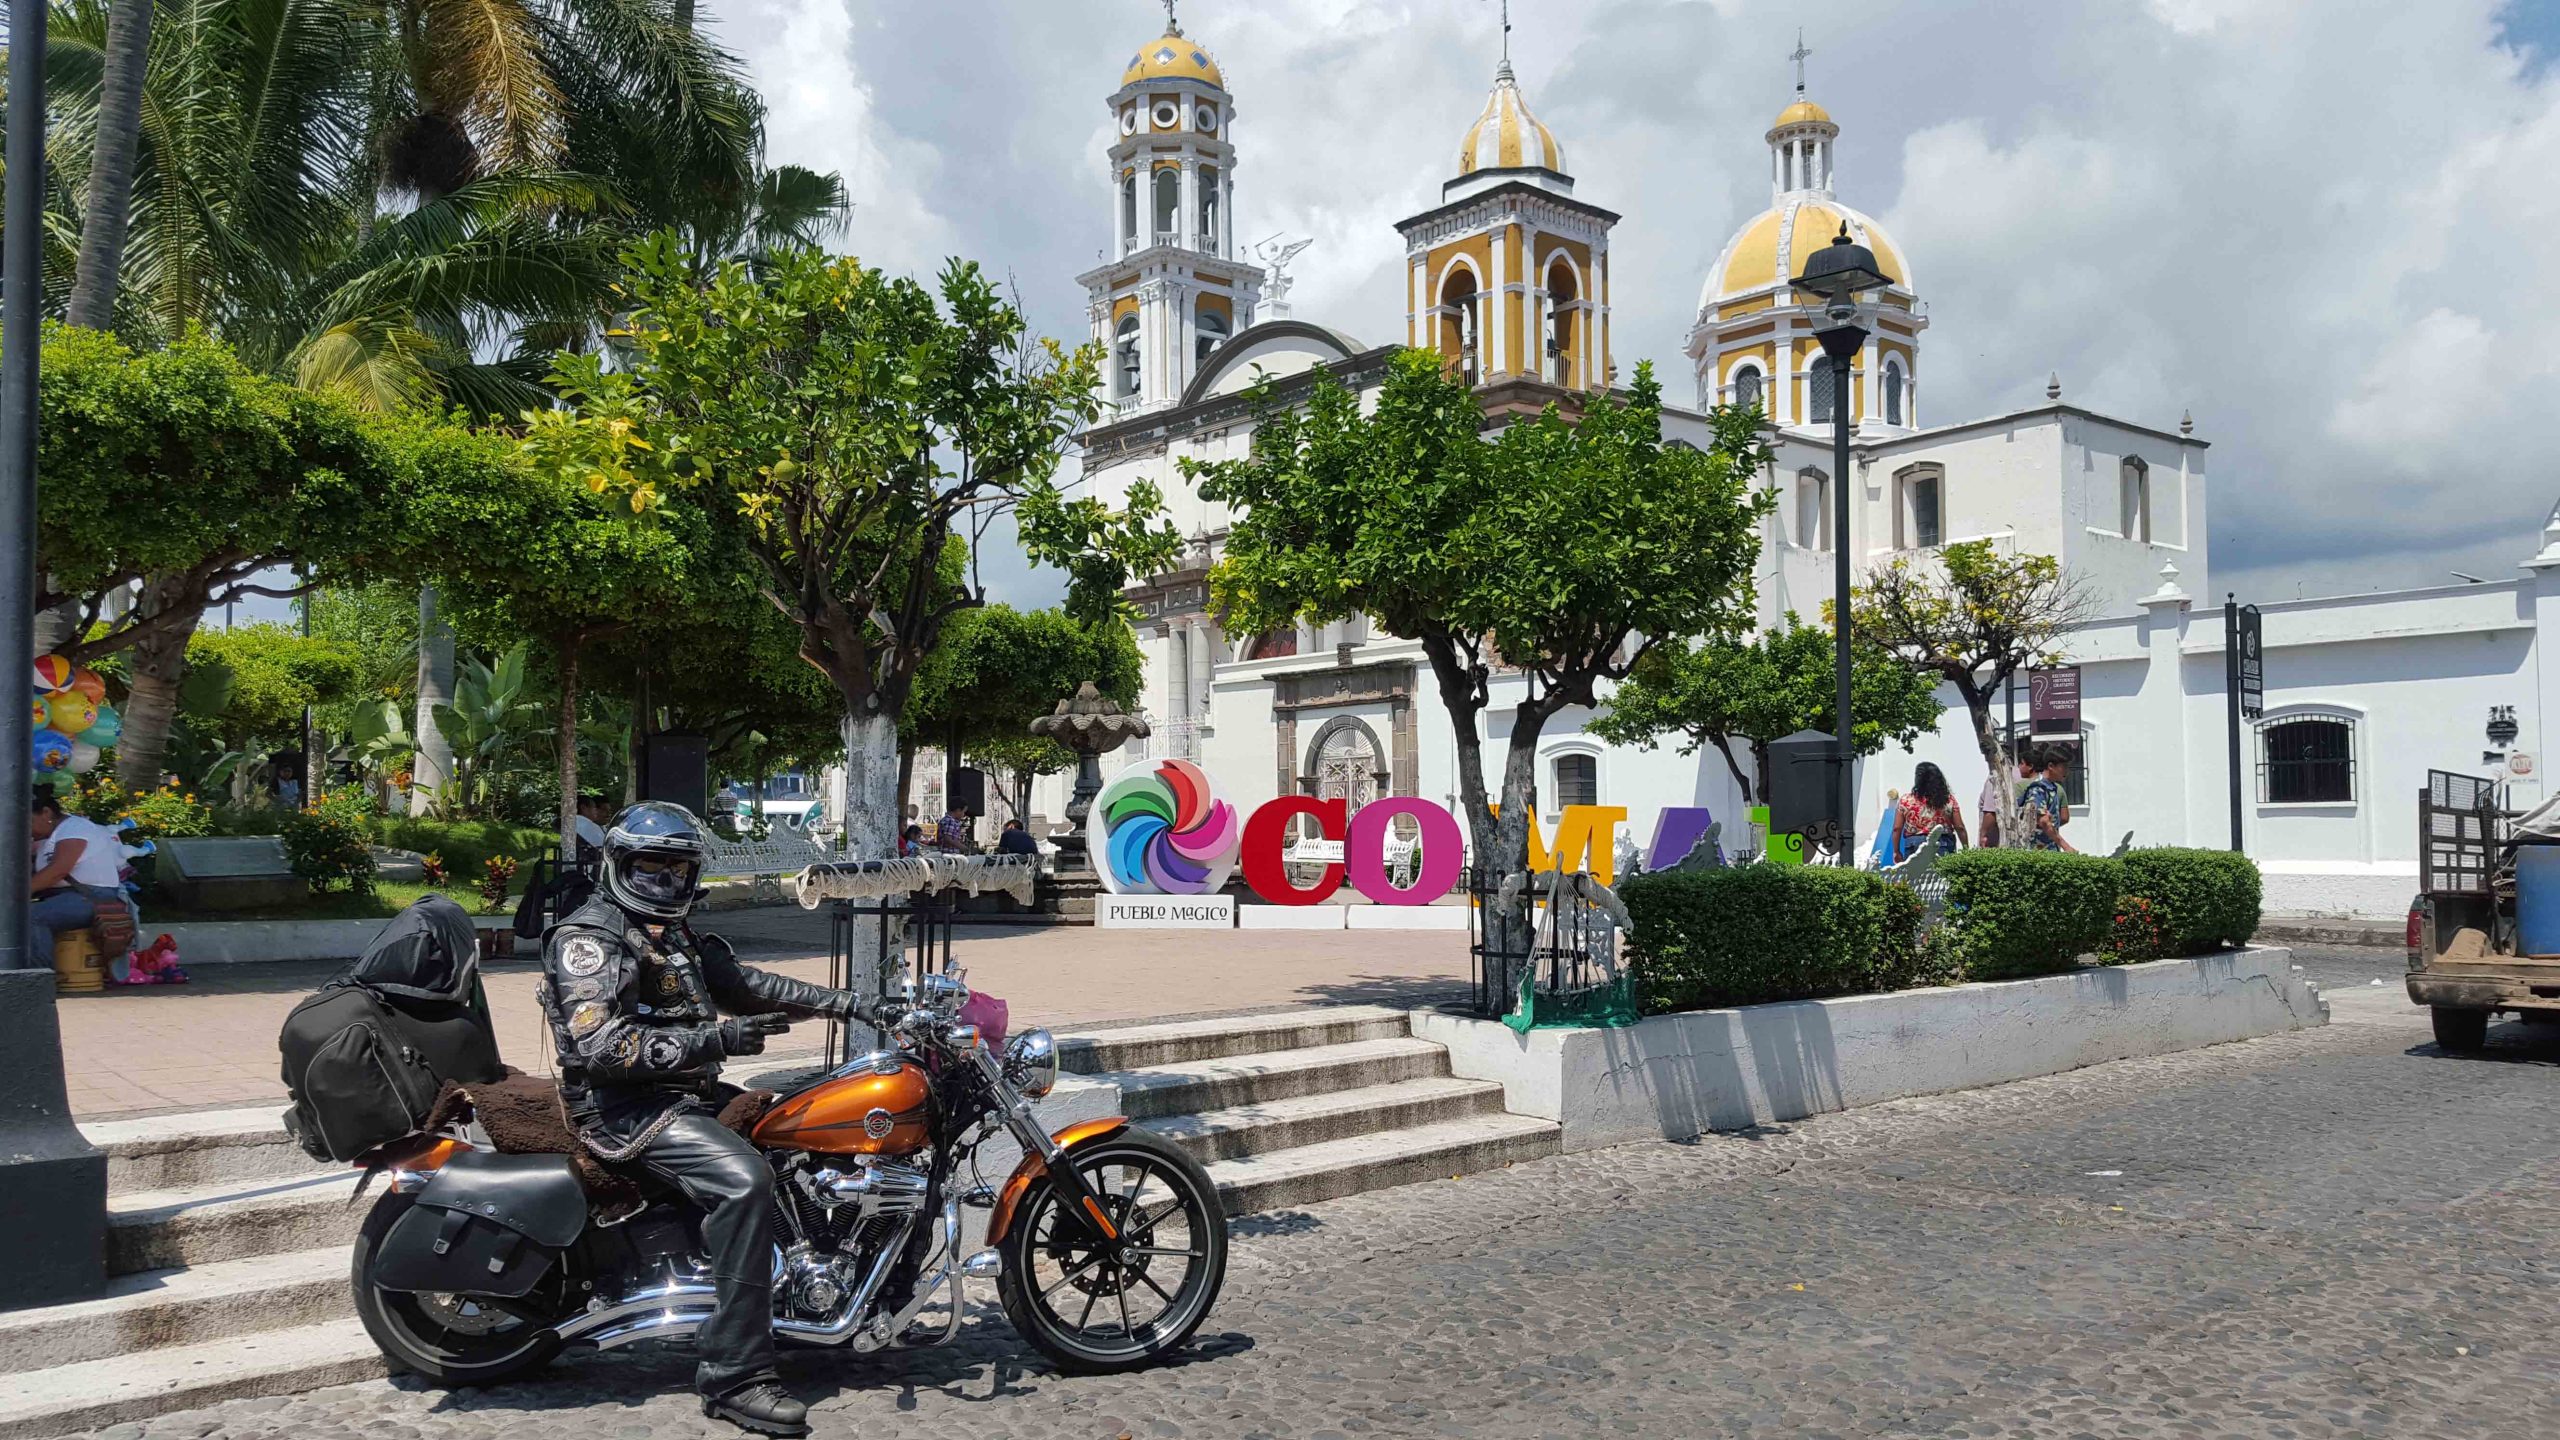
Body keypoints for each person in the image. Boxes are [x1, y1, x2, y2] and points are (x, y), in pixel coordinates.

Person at [539, 802, 860, 1436]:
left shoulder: (673, 932)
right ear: (619, 864)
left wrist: (851, 1003)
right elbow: (603, 1046)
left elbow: (744, 983)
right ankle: (735, 1376)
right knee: (745, 1183)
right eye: (650, 867)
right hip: (626, 1108)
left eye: (677, 869)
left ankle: (791, 1303)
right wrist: (718, 1041)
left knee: (801, 1133)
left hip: (682, 1091)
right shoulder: (592, 938)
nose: (664, 881)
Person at [27, 792, 129, 966]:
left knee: (30, 917)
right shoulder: (47, 837)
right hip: (64, 897)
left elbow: (58, 871)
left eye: (29, 822)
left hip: (92, 898)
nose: (27, 829)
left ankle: (39, 980)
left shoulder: (75, 828)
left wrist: (14, 896)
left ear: (46, 813)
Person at [1895, 761, 1970, 858]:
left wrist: (1896, 851)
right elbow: (1959, 827)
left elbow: (1897, 828)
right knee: (1941, 873)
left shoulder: (1905, 800)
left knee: (1916, 873)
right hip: (1942, 843)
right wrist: (1966, 849)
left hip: (1914, 844)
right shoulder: (1947, 800)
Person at [2018, 745, 2078, 852]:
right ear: (2051, 766)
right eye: (2064, 767)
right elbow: (2044, 821)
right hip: (2038, 852)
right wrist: (2066, 846)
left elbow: (2060, 819)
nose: (2067, 771)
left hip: (2049, 850)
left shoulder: (2052, 788)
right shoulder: (2038, 789)